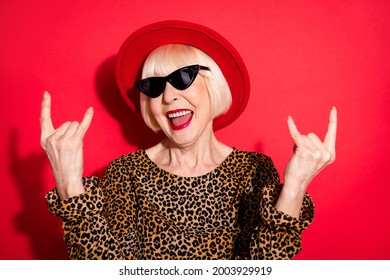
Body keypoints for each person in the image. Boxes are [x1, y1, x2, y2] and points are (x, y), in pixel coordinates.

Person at [40, 21, 337, 260]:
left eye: (183, 77)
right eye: (154, 86)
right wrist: (68, 183)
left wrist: (296, 185)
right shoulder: (126, 172)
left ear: (214, 85)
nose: (168, 96)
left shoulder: (253, 169)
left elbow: (267, 265)